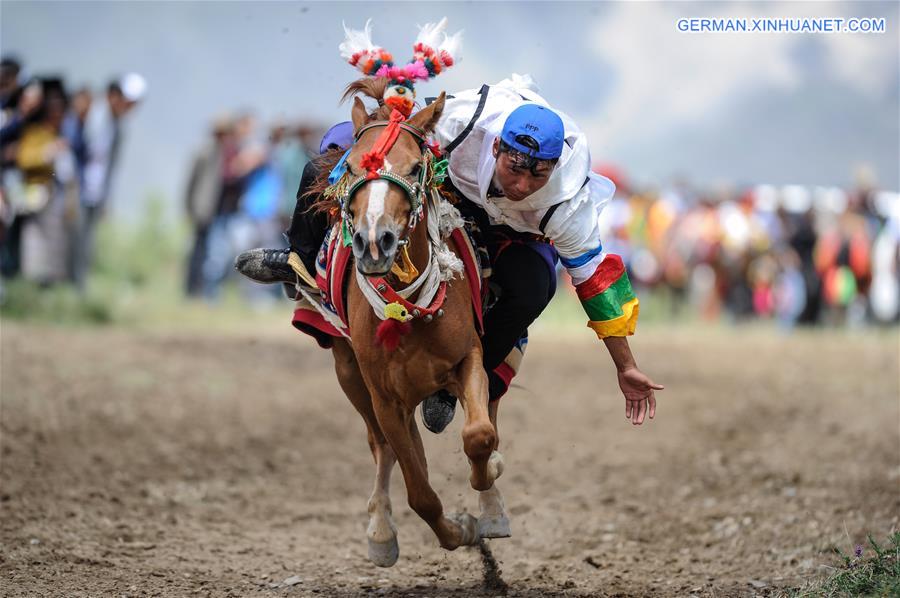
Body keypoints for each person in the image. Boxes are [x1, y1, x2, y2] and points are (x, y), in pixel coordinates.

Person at [236, 75, 663, 432]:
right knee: (328, 159)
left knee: (537, 286)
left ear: (554, 168)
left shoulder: (569, 203)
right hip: (452, 187)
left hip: (519, 232)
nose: (522, 186)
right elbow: (402, 127)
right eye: (515, 168)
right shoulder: (462, 122)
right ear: (496, 147)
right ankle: (299, 258)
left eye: (538, 175)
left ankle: (452, 381)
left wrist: (625, 366)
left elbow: (596, 282)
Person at [74, 72, 146, 289]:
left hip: (95, 192)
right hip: (77, 187)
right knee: (72, 238)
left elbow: (111, 167)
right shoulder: (91, 115)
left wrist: (107, 198)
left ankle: (79, 286)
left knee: (86, 241)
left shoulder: (118, 127)